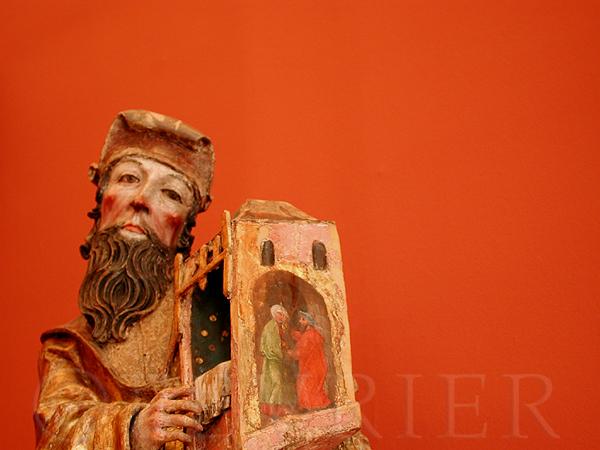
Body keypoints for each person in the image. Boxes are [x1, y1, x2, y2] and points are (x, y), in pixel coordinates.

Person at [34, 110, 217, 450]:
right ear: (102, 201)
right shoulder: (69, 347)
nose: (141, 199)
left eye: (171, 193)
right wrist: (134, 427)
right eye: (129, 178)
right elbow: (57, 430)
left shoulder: (214, 314)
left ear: (183, 228)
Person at [259, 304, 295, 418]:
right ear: (274, 314)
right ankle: (273, 410)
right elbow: (270, 345)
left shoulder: (279, 327)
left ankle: (277, 409)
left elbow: (281, 342)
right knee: (276, 383)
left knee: (278, 383)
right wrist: (282, 351)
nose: (281, 317)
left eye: (283, 315)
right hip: (272, 359)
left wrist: (285, 347)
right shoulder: (270, 327)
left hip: (278, 359)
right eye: (279, 314)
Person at [289, 311, 331, 411]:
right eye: (300, 319)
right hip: (318, 366)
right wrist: (296, 335)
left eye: (303, 319)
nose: (300, 321)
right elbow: (307, 342)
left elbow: (302, 351)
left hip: (311, 368)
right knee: (315, 388)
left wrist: (291, 353)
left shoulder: (309, 335)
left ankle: (311, 406)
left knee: (305, 385)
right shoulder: (313, 333)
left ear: (309, 322)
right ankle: (316, 405)